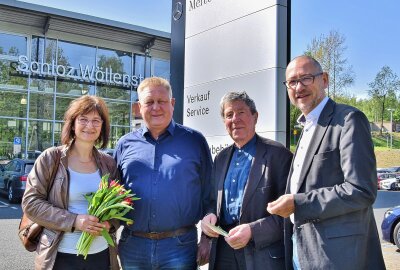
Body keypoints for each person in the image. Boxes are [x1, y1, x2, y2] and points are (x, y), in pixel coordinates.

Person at [267, 55, 386, 270]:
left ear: (324, 79)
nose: (298, 87)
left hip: (338, 257)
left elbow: (361, 190)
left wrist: (298, 203)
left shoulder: (349, 120)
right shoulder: (306, 128)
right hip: (302, 250)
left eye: (306, 78)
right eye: (292, 82)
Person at [114, 77, 213, 269]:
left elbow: (210, 193)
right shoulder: (124, 144)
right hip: (133, 245)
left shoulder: (194, 141)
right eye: (149, 102)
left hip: (180, 246)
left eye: (162, 101)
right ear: (138, 107)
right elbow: (113, 191)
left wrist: (208, 239)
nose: (156, 107)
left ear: (172, 103)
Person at [22, 96, 120, 270]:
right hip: (60, 255)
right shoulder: (51, 158)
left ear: (102, 127)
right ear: (72, 123)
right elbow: (31, 203)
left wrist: (109, 223)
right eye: (83, 119)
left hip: (101, 255)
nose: (89, 126)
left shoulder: (109, 163)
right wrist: (74, 221)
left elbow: (119, 206)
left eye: (96, 121)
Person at [201, 91, 293, 270]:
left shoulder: (278, 155)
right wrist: (208, 216)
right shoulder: (220, 158)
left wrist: (253, 231)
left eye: (241, 112)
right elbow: (212, 201)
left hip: (262, 253)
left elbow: (290, 212)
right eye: (229, 115)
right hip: (223, 251)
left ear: (255, 116)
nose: (235, 119)